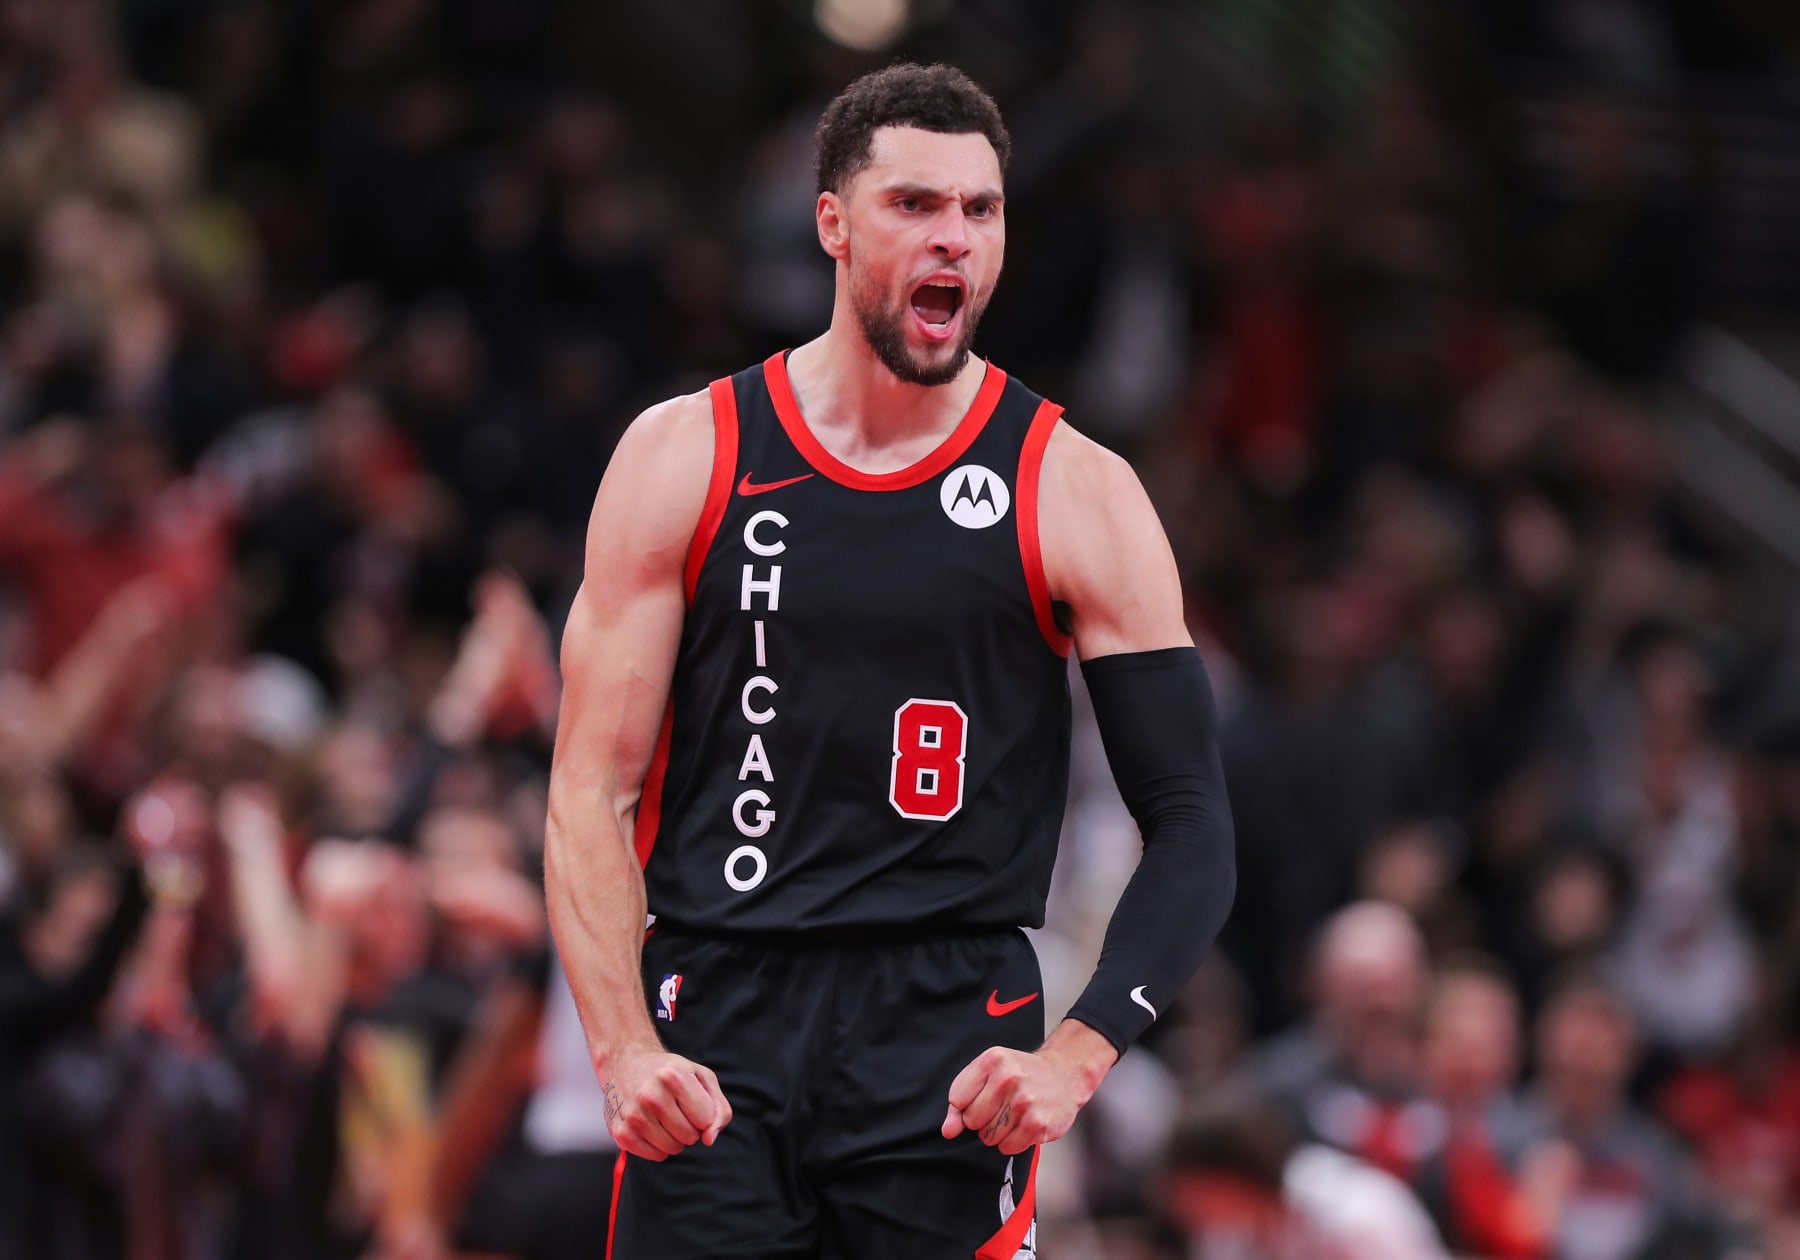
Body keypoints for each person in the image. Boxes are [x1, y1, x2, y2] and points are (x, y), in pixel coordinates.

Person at [545, 62, 1236, 1259]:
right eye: (914, 204)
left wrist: (1078, 1053)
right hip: (717, 1017)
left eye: (981, 209)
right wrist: (620, 1050)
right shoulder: (685, 453)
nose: (953, 237)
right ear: (832, 222)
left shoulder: (1076, 487)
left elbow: (1193, 821)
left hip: (949, 1033)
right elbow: (586, 792)